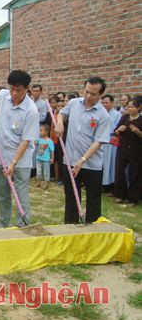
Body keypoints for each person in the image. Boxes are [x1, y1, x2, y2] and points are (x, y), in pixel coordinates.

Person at [0, 71, 39, 228]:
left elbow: (26, 141)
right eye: (12, 89)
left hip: (20, 161)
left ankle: (23, 224)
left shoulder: (31, 111)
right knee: (2, 192)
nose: (14, 93)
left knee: (21, 194)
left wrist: (13, 163)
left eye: (18, 90)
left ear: (26, 89)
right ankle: (3, 222)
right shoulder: (4, 95)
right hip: (0, 155)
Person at [55, 77, 111, 224]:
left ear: (100, 94)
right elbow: (61, 113)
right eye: (86, 92)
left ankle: (93, 229)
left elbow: (98, 141)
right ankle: (71, 227)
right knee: (71, 197)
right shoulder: (74, 104)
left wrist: (82, 160)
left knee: (93, 199)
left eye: (92, 94)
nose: (88, 96)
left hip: (91, 164)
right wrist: (60, 122)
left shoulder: (103, 115)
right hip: (71, 161)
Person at [113, 99, 142, 205]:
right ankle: (120, 194)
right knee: (120, 172)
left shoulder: (140, 120)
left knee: (134, 174)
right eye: (128, 106)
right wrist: (119, 130)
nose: (129, 108)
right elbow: (115, 132)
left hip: (136, 150)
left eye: (132, 107)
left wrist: (138, 132)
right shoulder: (124, 117)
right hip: (123, 149)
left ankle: (133, 198)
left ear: (138, 108)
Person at [101, 94, 122, 192]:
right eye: (103, 103)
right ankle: (103, 184)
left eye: (107, 102)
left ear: (112, 103)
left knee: (112, 163)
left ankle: (111, 185)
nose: (105, 105)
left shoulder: (117, 114)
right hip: (102, 141)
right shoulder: (101, 113)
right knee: (103, 163)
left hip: (112, 141)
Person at [35, 124, 54, 189]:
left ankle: (46, 183)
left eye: (41, 130)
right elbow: (35, 143)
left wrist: (52, 158)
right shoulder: (39, 139)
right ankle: (39, 182)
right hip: (38, 158)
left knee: (46, 171)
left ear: (46, 132)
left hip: (46, 159)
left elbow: (52, 150)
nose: (40, 132)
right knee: (39, 170)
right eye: (39, 130)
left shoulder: (49, 141)